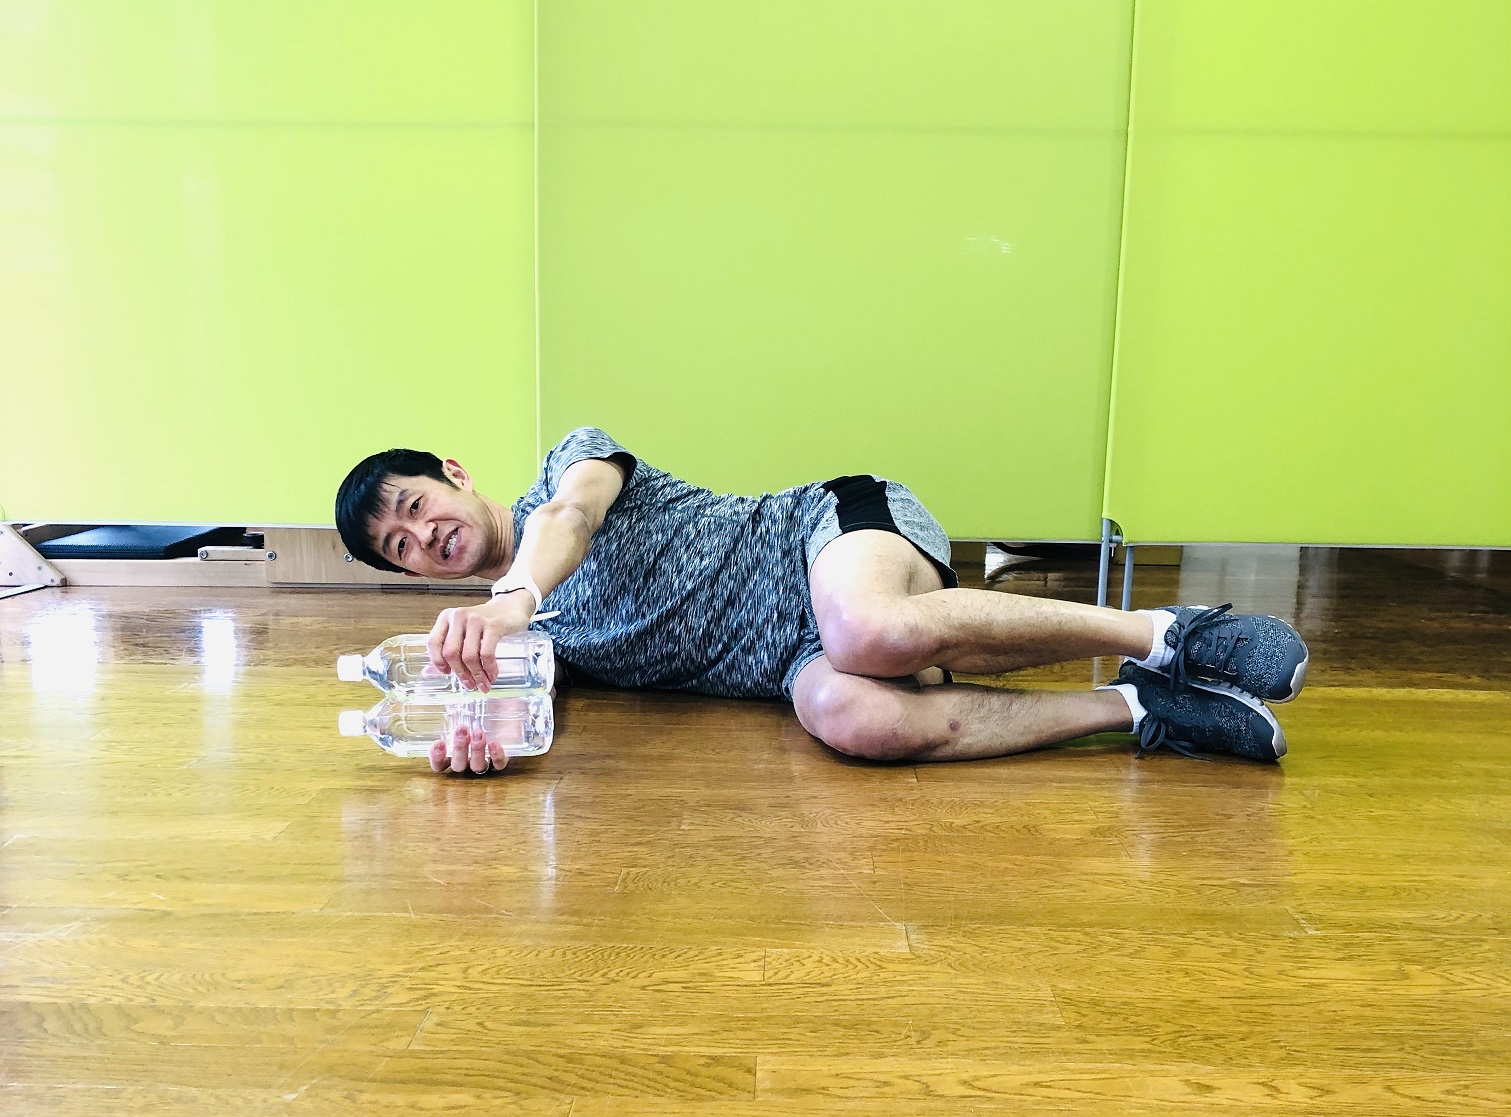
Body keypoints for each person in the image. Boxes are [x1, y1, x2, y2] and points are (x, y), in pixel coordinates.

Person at [335, 428, 1307, 775]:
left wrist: (511, 598)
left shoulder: (566, 466)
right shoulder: (526, 640)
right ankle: (1139, 708)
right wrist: (475, 748)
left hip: (826, 534)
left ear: (453, 473)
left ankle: (1170, 634)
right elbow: (522, 710)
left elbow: (570, 517)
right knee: (847, 713)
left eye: (415, 506)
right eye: (400, 549)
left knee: (865, 627)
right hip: (797, 663)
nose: (422, 536)